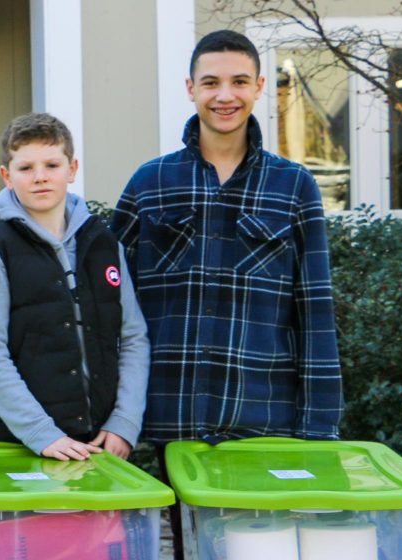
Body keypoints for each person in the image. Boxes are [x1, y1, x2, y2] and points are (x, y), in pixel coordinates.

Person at [113, 31, 341, 560]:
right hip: (171, 411)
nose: (225, 95)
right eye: (211, 82)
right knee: (185, 547)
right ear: (190, 88)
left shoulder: (294, 186)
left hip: (264, 416)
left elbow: (315, 311)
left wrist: (321, 427)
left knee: (257, 548)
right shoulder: (150, 183)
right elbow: (107, 302)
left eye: (239, 82)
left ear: (260, 87)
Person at [0, 112, 150, 462]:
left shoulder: (104, 243)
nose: (40, 178)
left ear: (72, 169)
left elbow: (132, 337)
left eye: (52, 164)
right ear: (7, 176)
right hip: (24, 445)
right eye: (26, 168)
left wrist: (124, 422)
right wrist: (41, 433)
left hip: (103, 440)